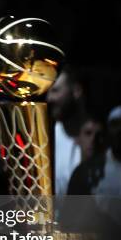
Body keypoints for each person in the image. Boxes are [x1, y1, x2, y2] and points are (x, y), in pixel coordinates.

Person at [46, 65, 89, 195]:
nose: (49, 99)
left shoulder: (99, 136)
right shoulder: (47, 139)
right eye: (48, 92)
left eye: (55, 91)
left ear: (76, 91)